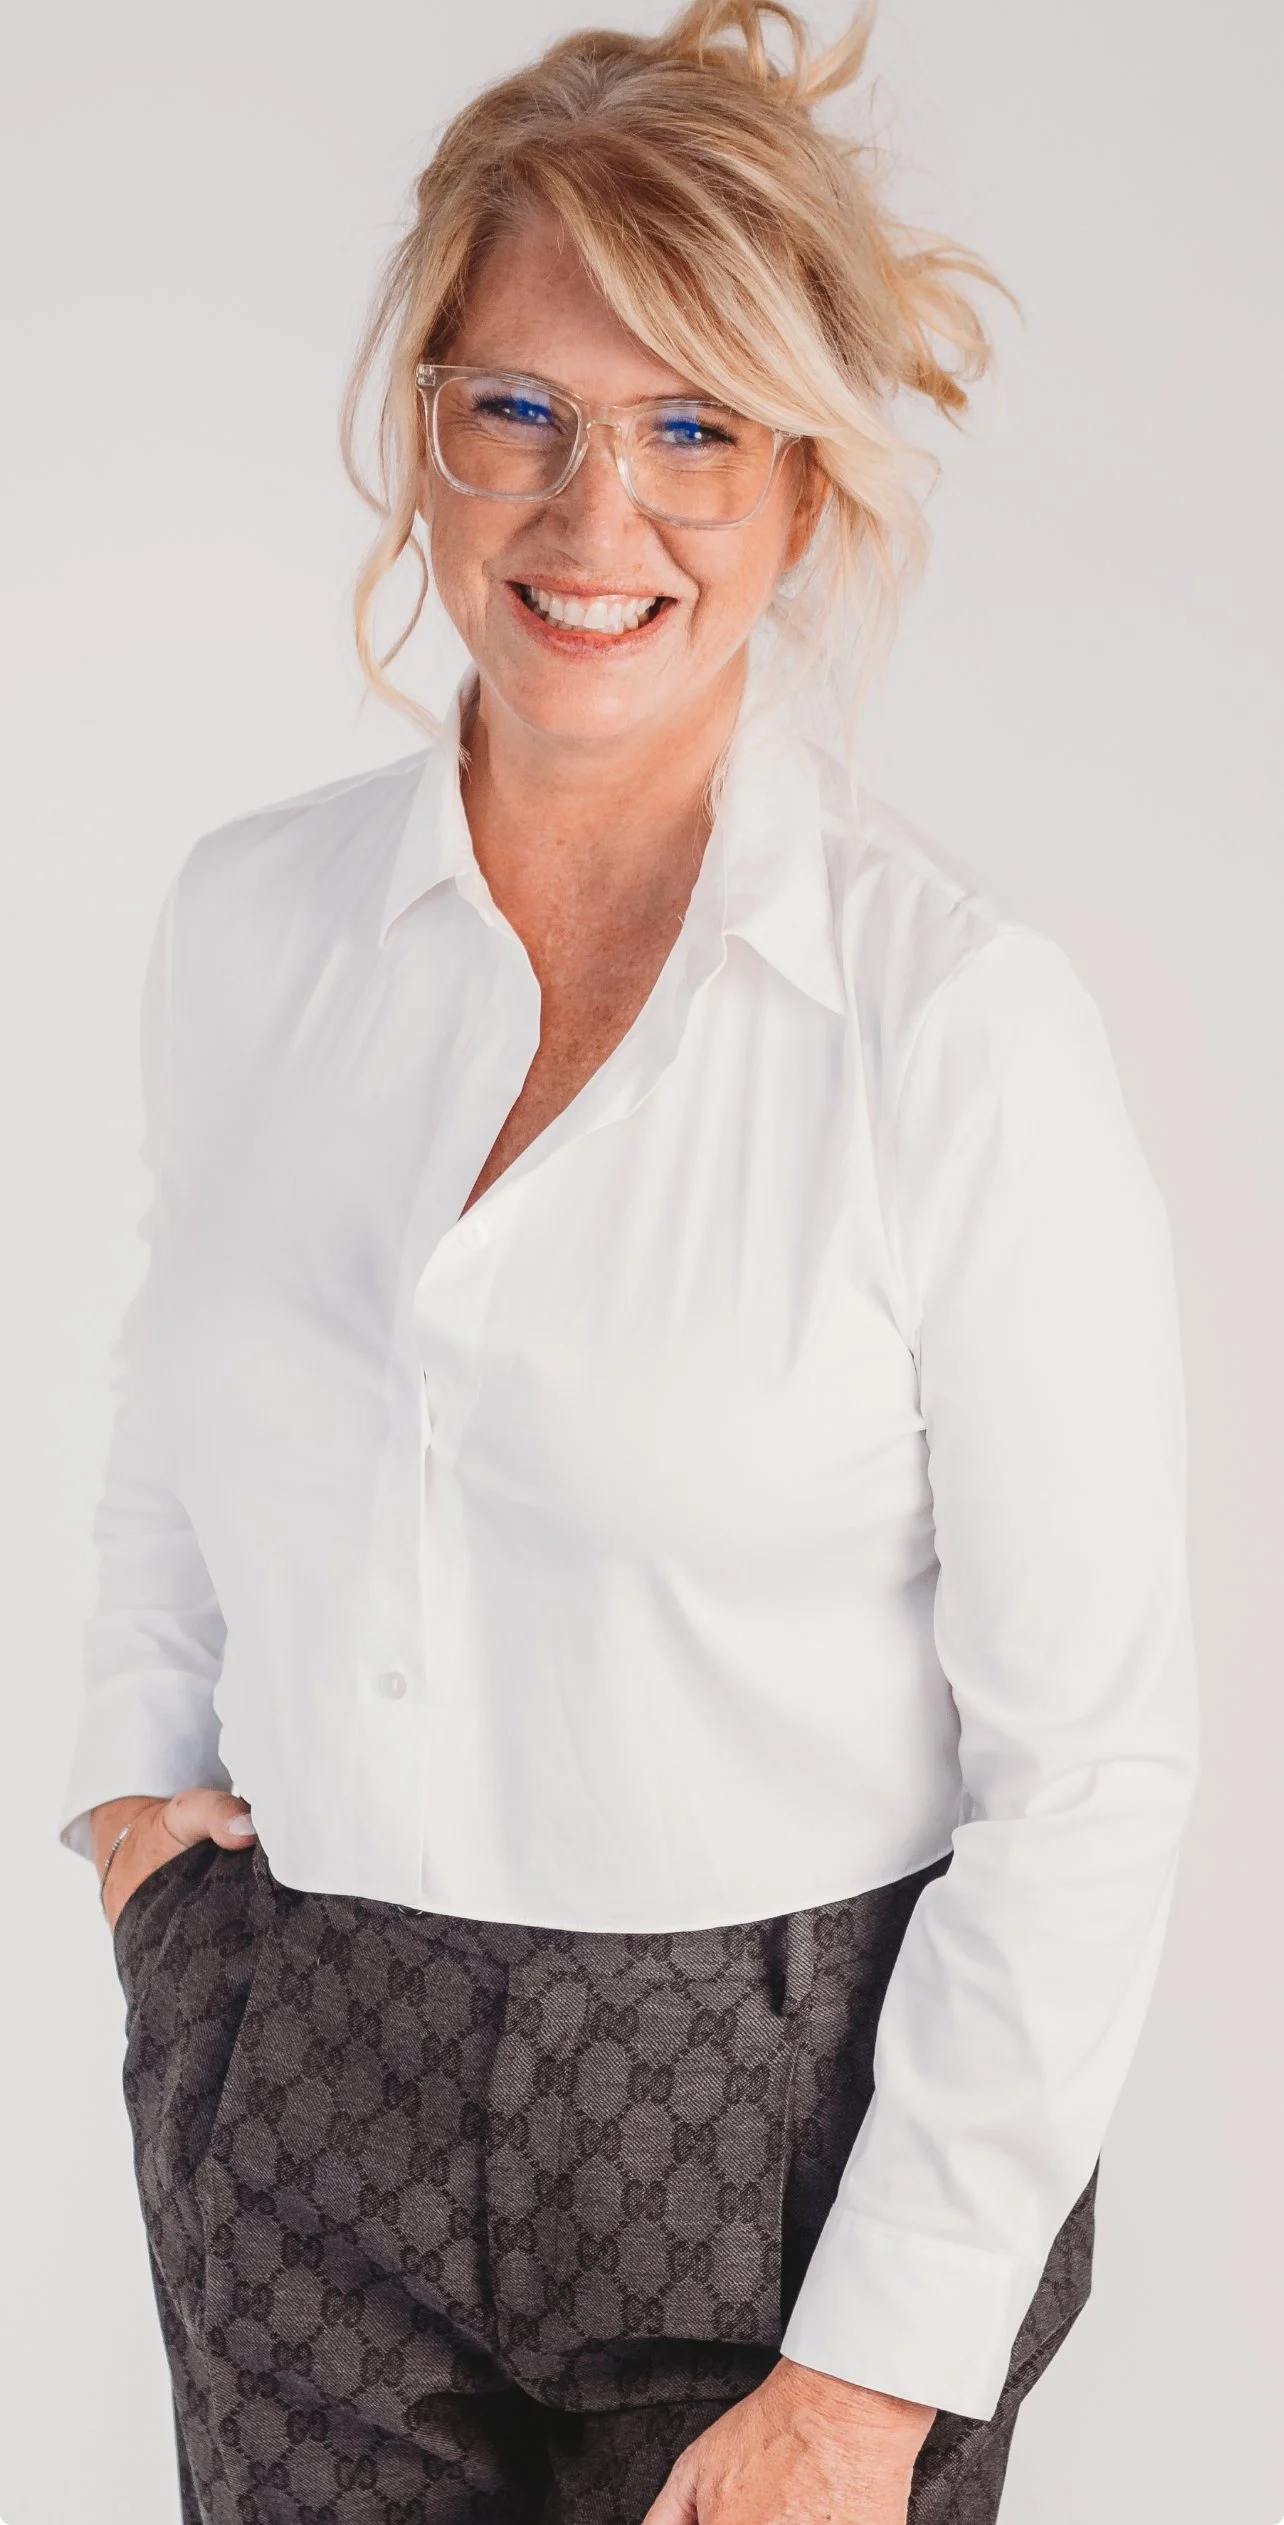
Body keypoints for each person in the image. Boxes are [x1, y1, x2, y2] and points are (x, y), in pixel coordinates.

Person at [60, 2, 1199, 2519]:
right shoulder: (251, 926)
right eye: (524, 412)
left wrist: (873, 2374)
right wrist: (148, 1818)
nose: (599, 515)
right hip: (303, 2080)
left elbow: (1091, 1764)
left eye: (694, 426)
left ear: (803, 486)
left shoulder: (953, 1024)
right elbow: (182, 1389)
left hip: (770, 2134)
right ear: (426, 433)